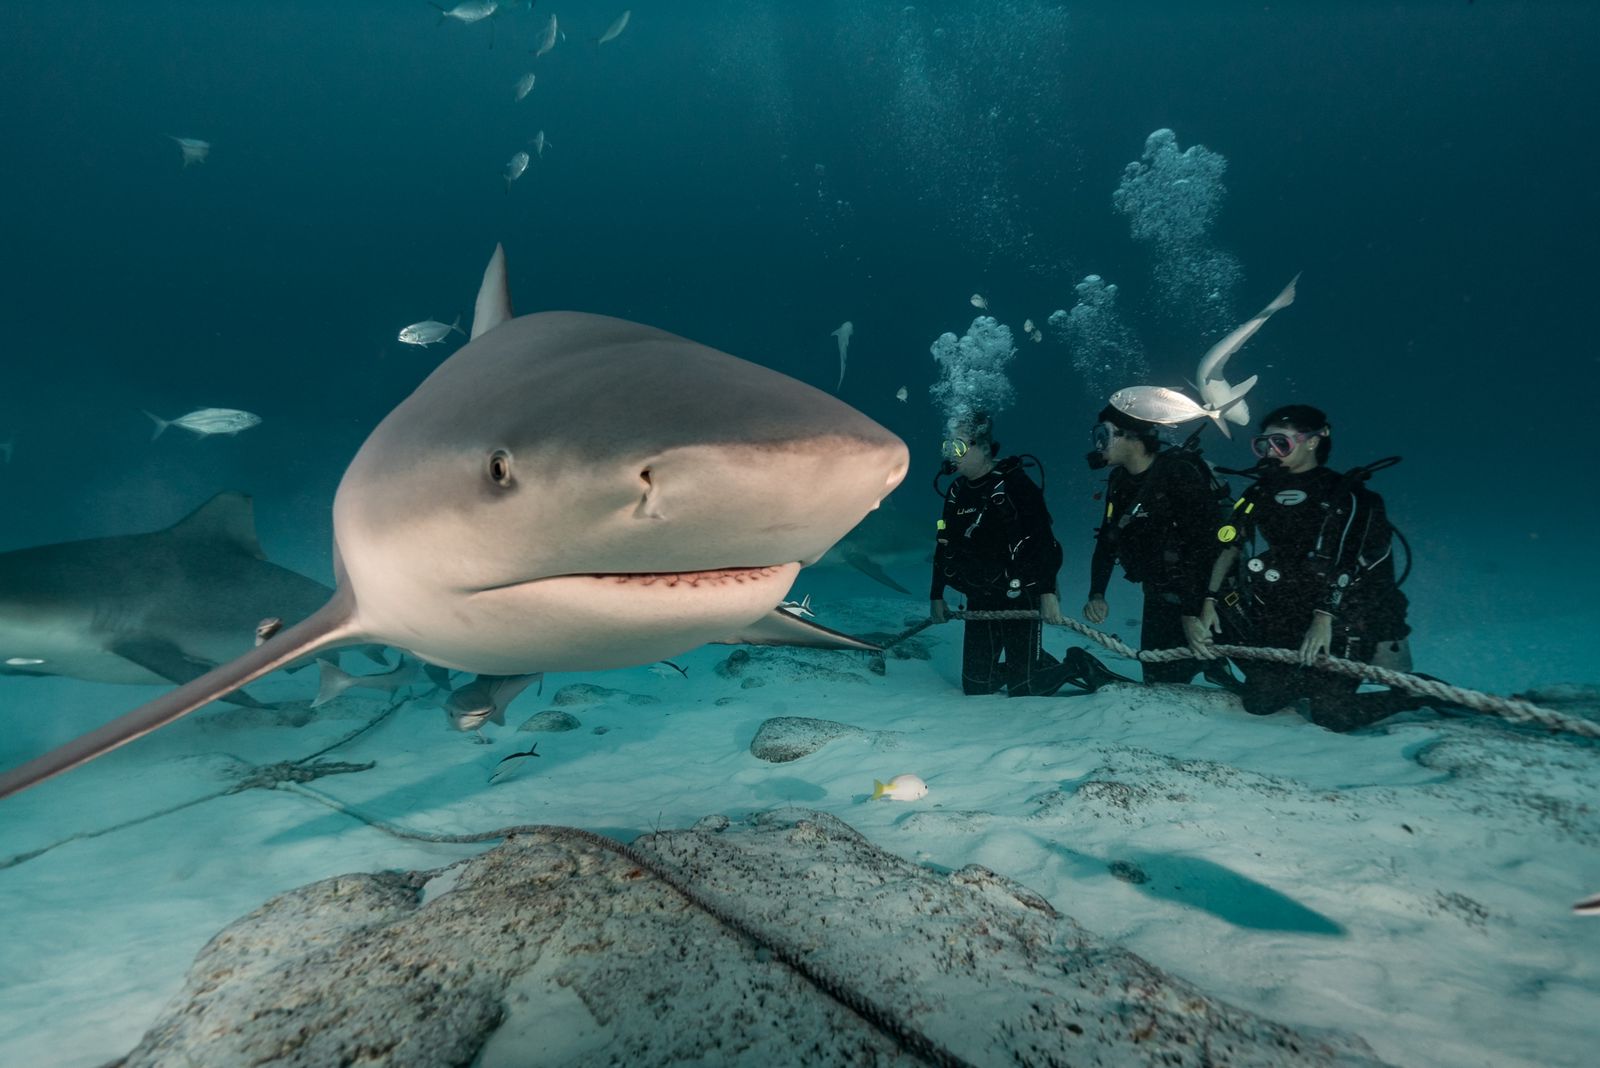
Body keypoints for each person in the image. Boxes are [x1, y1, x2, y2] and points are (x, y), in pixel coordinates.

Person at [1195, 404, 1421, 732]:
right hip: (1286, 612)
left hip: (1343, 619)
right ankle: (1309, 681)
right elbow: (1230, 546)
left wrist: (1323, 617)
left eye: (1281, 443)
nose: (1270, 452)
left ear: (1313, 441)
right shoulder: (1259, 492)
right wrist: (1209, 600)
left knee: (1332, 715)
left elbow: (1348, 561)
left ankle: (1419, 694)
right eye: (1263, 444)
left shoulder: (1348, 494)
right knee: (1260, 702)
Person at [1083, 404, 1243, 689]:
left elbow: (1204, 549)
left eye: (1103, 435)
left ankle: (1214, 659)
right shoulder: (1119, 482)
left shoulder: (1179, 473)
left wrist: (1191, 613)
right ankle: (1207, 662)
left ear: (1130, 435)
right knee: (1158, 682)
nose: (1098, 445)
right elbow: (1108, 539)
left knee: (1267, 687)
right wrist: (1097, 593)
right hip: (1159, 595)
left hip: (1210, 597)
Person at [929, 413, 1074, 696]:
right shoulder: (956, 491)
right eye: (948, 446)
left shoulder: (1015, 484)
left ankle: (1074, 664)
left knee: (1025, 688)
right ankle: (1033, 664)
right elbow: (944, 543)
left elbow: (1044, 540)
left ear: (984, 447)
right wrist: (936, 594)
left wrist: (1047, 592)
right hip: (980, 595)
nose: (952, 454)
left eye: (959, 446)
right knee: (976, 687)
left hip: (1020, 592)